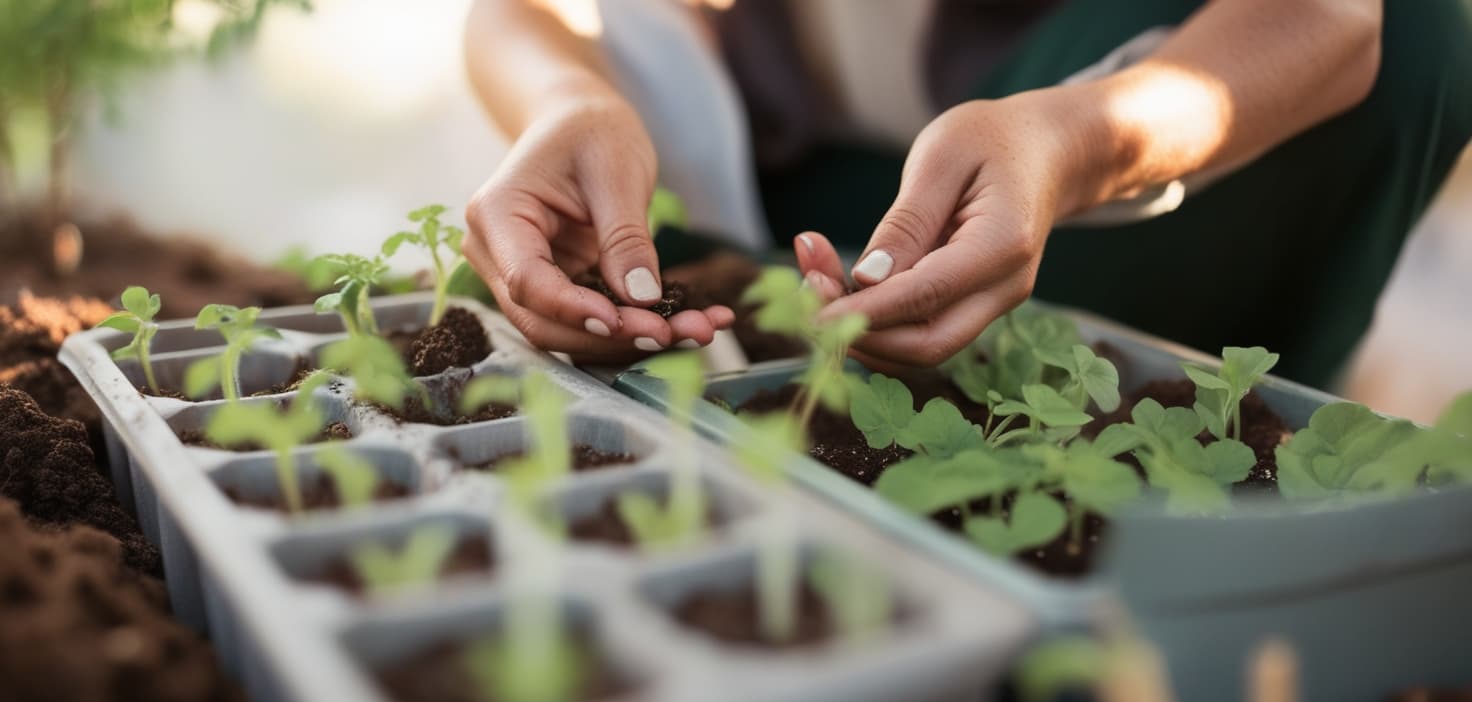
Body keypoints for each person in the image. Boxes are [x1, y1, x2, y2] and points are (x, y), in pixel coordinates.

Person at [461, 0, 1472, 387]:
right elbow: (522, 11)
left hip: (1084, 173)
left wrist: (1067, 145)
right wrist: (568, 105)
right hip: (772, 183)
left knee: (1417, 37)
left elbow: (1334, 19)